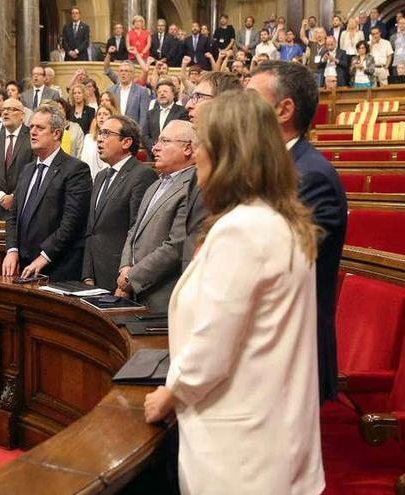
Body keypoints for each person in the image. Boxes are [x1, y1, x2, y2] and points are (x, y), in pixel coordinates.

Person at [143, 91, 324, 494]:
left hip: (239, 452)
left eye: (203, 143)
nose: (197, 155)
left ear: (226, 153)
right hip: (268, 434)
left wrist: (170, 395)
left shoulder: (243, 230)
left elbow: (213, 347)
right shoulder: (278, 219)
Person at [248, 61, 348, 404]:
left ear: (283, 110)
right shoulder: (277, 168)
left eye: (251, 98)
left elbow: (278, 266)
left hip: (292, 353)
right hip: (268, 348)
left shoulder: (311, 176)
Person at [2, 104, 92, 281]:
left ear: (57, 134)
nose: (33, 132)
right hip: (23, 265)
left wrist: (44, 257)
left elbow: (71, 223)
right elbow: (12, 216)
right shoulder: (27, 169)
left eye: (40, 128)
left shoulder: (75, 169)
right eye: (31, 127)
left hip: (57, 267)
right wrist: (12, 250)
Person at [116, 120, 195, 311]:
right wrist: (125, 268)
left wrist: (131, 277)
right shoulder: (154, 185)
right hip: (134, 292)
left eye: (165, 141)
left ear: (187, 148)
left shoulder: (193, 186)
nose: (155, 147)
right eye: (157, 140)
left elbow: (176, 246)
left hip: (161, 297)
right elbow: (134, 231)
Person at [82, 116, 157, 291]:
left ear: (126, 142)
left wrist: (127, 280)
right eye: (100, 133)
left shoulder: (142, 175)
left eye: (107, 134)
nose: (100, 138)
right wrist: (87, 274)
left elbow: (137, 232)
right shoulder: (100, 176)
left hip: (119, 279)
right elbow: (91, 230)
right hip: (94, 276)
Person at [181, 72, 241, 270]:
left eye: (198, 97)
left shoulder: (240, 164)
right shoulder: (203, 158)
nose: (189, 104)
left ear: (222, 103)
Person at [0, 98, 33, 220]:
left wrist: (14, 196)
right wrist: (0, 196)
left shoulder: (32, 136)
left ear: (22, 115)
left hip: (25, 206)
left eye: (11, 109)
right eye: (4, 109)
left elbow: (33, 172)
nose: (5, 112)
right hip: (0, 207)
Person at [142, 80, 188, 151]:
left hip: (173, 154)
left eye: (165, 91)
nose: (162, 94)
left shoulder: (182, 111)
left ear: (173, 94)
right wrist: (155, 148)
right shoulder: (150, 113)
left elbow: (182, 136)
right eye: (159, 92)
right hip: (153, 155)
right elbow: (145, 135)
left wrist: (165, 149)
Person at [79, 102, 120, 180]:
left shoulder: (115, 139)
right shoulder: (88, 138)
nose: (101, 117)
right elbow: (83, 161)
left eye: (105, 114)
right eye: (99, 114)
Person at [104, 61, 150, 127]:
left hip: (133, 131)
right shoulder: (111, 90)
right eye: (121, 71)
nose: (123, 73)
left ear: (133, 74)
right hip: (114, 129)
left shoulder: (141, 91)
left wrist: (139, 134)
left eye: (126, 71)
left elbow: (144, 117)